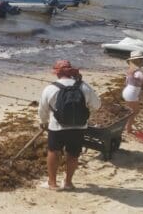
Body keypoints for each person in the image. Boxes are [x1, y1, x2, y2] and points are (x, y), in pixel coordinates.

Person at [38, 60, 101, 190]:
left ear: (57, 73)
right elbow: (97, 105)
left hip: (57, 127)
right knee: (73, 154)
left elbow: (42, 109)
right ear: (71, 72)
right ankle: (68, 183)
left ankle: (52, 183)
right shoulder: (83, 86)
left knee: (53, 152)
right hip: (79, 126)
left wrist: (43, 122)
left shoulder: (50, 88)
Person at [122, 50, 143, 134]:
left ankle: (126, 126)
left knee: (131, 111)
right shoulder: (137, 71)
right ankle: (128, 128)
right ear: (137, 60)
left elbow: (127, 81)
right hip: (131, 93)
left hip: (128, 91)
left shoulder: (131, 70)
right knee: (134, 111)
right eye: (141, 59)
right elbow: (142, 78)